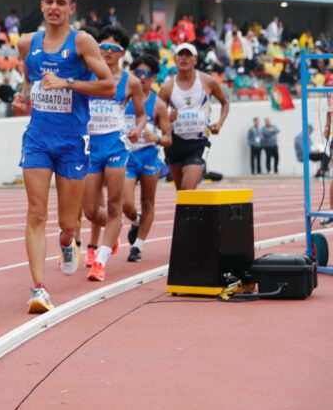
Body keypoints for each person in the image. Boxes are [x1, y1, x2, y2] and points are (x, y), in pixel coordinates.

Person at [12, 0, 114, 312]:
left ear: (71, 9)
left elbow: (109, 86)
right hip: (38, 137)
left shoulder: (82, 42)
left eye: (60, 2)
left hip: (72, 141)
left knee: (68, 223)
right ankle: (39, 288)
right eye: (48, 1)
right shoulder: (27, 44)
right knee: (35, 213)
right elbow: (29, 79)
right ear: (41, 6)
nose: (54, 7)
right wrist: (23, 98)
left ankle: (68, 241)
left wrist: (68, 82)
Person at [82, 25, 145, 282]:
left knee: (114, 204)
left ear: (122, 53)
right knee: (89, 210)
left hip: (116, 144)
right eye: (103, 47)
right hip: (90, 145)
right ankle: (113, 230)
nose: (107, 52)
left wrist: (137, 130)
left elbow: (141, 114)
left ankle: (101, 260)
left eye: (113, 48)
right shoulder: (85, 73)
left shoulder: (130, 81)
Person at [158, 43, 229, 190]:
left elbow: (225, 103)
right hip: (174, 144)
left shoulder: (208, 82)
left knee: (188, 189)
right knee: (181, 193)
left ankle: (190, 212)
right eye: (180, 55)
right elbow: (157, 118)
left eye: (188, 55)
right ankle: (187, 214)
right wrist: (167, 118)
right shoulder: (167, 88)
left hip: (198, 143)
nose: (184, 58)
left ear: (195, 60)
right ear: (175, 59)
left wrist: (219, 123)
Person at [121, 55, 171, 263]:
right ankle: (135, 220)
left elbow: (168, 138)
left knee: (148, 201)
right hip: (127, 155)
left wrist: (157, 138)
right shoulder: (123, 98)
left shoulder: (158, 105)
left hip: (150, 156)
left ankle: (137, 246)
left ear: (154, 77)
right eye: (138, 73)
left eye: (147, 74)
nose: (142, 78)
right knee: (126, 203)